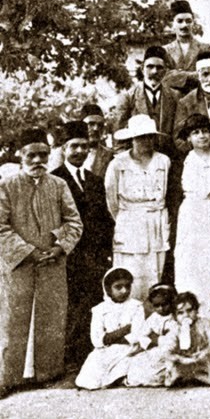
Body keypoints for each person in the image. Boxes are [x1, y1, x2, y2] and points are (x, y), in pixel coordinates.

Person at [0, 127, 83, 395]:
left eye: (43, 155)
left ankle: (47, 372)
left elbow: (74, 222)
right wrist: (28, 251)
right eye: (32, 155)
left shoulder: (58, 185)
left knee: (50, 316)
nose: (38, 161)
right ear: (21, 155)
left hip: (52, 262)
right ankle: (10, 377)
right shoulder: (6, 186)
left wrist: (59, 247)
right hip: (18, 265)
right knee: (14, 318)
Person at [53, 120, 115, 368]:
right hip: (69, 254)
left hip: (95, 255)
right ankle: (67, 358)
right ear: (64, 149)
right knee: (71, 306)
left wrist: (106, 252)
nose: (80, 151)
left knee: (92, 303)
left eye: (84, 147)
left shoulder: (94, 180)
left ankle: (88, 355)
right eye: (74, 146)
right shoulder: (55, 180)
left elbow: (103, 219)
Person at [105, 115, 171, 302]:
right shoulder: (118, 164)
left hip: (156, 222)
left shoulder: (163, 161)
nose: (146, 141)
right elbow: (112, 201)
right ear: (131, 139)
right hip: (129, 222)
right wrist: (127, 218)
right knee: (130, 273)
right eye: (141, 137)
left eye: (149, 136)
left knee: (154, 273)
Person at [174, 114, 210, 296]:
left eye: (205, 131)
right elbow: (188, 188)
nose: (202, 136)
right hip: (193, 211)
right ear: (189, 138)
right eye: (196, 133)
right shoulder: (185, 160)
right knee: (193, 253)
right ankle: (192, 296)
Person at [75, 268, 146, 390]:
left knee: (128, 365)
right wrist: (123, 331)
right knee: (88, 378)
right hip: (104, 351)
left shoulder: (136, 307)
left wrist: (109, 337)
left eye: (127, 286)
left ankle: (118, 378)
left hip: (128, 349)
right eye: (118, 287)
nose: (124, 291)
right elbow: (96, 340)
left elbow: (137, 335)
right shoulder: (99, 310)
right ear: (108, 289)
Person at [114, 46, 180, 156]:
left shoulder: (175, 96)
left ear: (165, 71)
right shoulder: (128, 97)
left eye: (159, 68)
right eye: (150, 67)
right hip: (138, 158)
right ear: (142, 68)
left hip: (167, 159)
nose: (155, 71)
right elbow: (119, 137)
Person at [124, 283, 178, 387]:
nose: (161, 308)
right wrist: (150, 340)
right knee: (137, 362)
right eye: (157, 305)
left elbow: (173, 340)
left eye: (165, 304)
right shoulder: (154, 318)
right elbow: (142, 334)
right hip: (153, 349)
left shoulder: (175, 318)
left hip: (169, 350)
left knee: (166, 362)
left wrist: (157, 339)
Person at [165, 292, 210, 386]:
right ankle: (180, 378)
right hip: (182, 361)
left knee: (207, 372)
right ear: (175, 317)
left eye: (189, 311)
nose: (186, 315)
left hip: (200, 359)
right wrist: (179, 358)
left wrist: (204, 352)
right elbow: (168, 350)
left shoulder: (203, 324)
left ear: (197, 311)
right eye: (180, 313)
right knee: (175, 370)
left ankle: (199, 377)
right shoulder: (175, 328)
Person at [162, 0, 210, 92]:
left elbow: (209, 74)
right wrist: (193, 75)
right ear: (172, 24)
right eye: (180, 21)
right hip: (172, 98)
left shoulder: (205, 48)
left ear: (193, 23)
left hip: (198, 98)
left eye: (188, 21)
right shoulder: (165, 50)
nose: (184, 25)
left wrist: (178, 75)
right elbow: (164, 76)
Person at [79, 103, 115, 178]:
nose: (96, 129)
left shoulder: (110, 155)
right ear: (81, 125)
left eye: (100, 125)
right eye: (91, 124)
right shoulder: (66, 153)